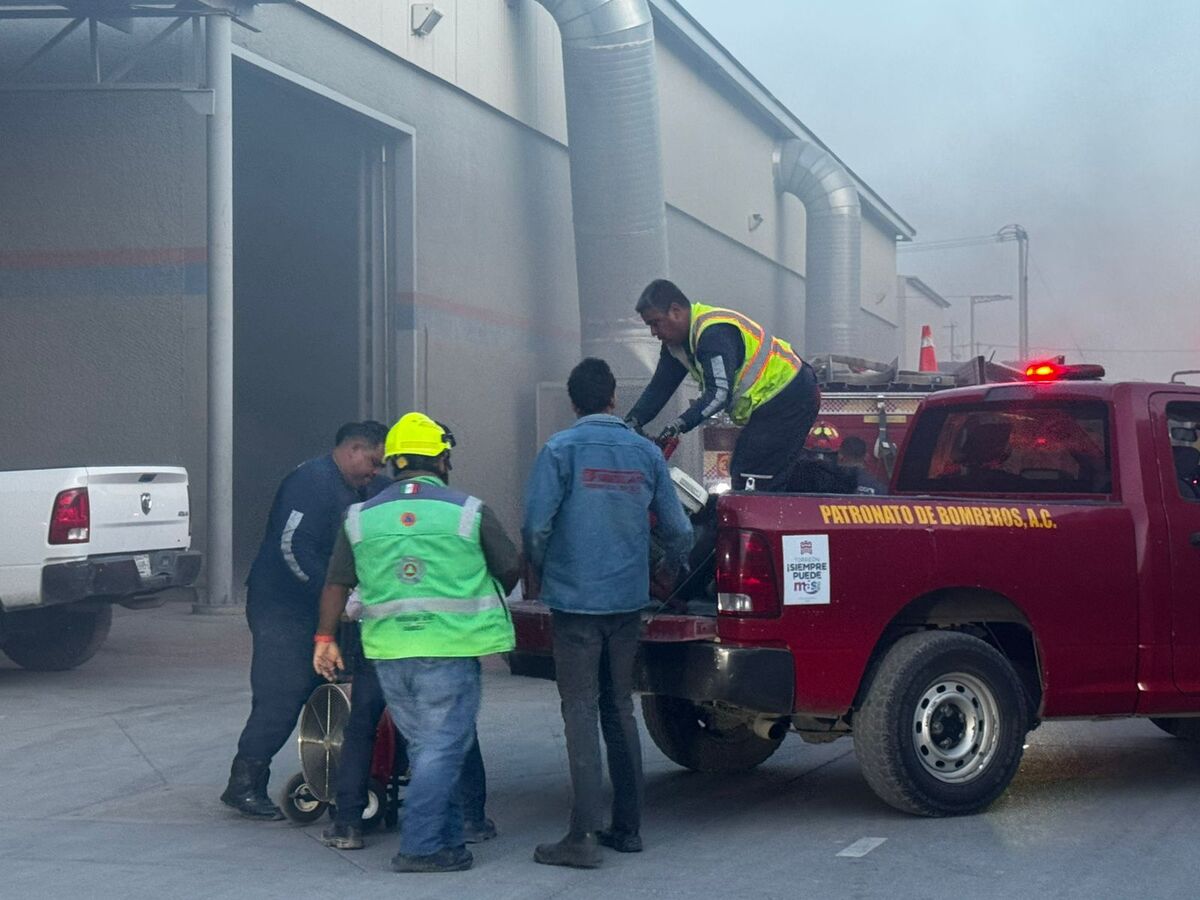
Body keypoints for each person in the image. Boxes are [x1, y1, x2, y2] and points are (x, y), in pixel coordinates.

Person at [313, 413, 520, 874]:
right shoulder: (468, 510)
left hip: (388, 653)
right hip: (449, 649)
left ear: (394, 461)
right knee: (443, 749)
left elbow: (336, 582)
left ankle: (449, 842)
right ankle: (422, 847)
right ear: (442, 459)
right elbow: (509, 566)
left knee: (429, 747)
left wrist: (324, 639)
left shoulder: (360, 517)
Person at [524, 358, 693, 868]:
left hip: (575, 603)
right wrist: (663, 566)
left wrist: (548, 570)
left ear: (574, 402)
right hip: (626, 602)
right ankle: (628, 828)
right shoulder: (645, 452)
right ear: (614, 398)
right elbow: (680, 531)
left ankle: (582, 836)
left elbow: (535, 527)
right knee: (619, 708)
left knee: (580, 709)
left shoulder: (559, 450)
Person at [221, 421, 387, 820]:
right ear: (353, 449)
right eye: (373, 461)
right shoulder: (310, 482)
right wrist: (333, 593)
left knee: (338, 692)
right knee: (283, 692)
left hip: (331, 607)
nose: (376, 471)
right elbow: (291, 548)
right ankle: (244, 784)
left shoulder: (366, 488)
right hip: (283, 606)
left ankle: (335, 777)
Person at [625, 279, 821, 491]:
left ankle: (760, 511)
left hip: (790, 394)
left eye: (656, 323)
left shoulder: (713, 334)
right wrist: (632, 421)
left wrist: (679, 424)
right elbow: (659, 388)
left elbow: (719, 394)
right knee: (746, 468)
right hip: (778, 399)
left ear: (675, 311)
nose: (653, 332)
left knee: (752, 473)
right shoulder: (677, 345)